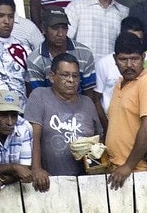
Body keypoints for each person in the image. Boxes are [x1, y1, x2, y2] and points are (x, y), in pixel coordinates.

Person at [24, 52, 100, 180]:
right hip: (49, 178)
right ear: (52, 77)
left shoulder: (87, 102)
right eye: (65, 75)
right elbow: (32, 136)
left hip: (84, 180)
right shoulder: (40, 96)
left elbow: (98, 140)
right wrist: (36, 169)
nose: (71, 80)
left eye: (75, 76)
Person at [106, 32, 147, 188]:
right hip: (117, 170)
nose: (129, 65)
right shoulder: (119, 83)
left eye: (134, 59)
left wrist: (128, 166)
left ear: (143, 57)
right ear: (115, 60)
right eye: (123, 59)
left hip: (137, 172)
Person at [25, 7, 98, 110]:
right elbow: (39, 96)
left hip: (80, 109)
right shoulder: (35, 59)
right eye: (55, 28)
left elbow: (89, 92)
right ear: (43, 28)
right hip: (49, 111)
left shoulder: (84, 53)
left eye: (64, 27)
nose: (60, 33)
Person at [94, 16, 145, 131]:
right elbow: (96, 98)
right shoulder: (104, 63)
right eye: (130, 38)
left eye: (139, 40)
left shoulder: (144, 66)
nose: (134, 44)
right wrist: (107, 126)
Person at [65, 0, 130, 58]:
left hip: (111, 67)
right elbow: (64, 40)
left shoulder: (124, 12)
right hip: (81, 66)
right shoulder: (76, 7)